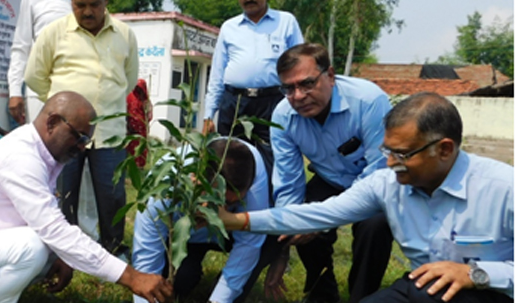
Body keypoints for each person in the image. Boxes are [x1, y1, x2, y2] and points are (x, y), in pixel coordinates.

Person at [218, 92, 514, 303]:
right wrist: (235, 220)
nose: (388, 163)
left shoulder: (503, 188)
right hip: (421, 288)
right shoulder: (387, 184)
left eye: (402, 154)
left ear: (445, 150)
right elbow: (316, 214)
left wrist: (476, 274)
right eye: (387, 151)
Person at [0, 91, 173, 303]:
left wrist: (60, 254)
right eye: (79, 137)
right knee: (34, 246)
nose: (83, 148)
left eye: (87, 140)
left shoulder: (41, 155)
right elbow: (53, 230)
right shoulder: (21, 157)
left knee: (45, 246)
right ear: (52, 123)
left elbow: (47, 221)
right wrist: (132, 276)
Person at [268, 43, 393, 303]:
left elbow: (379, 172)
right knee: (302, 218)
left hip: (373, 183)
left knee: (375, 226)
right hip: (329, 178)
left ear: (331, 76)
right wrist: (292, 223)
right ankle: (322, 291)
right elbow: (288, 181)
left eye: (307, 84)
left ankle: (363, 295)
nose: (298, 96)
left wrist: (324, 217)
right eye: (288, 88)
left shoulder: (369, 101)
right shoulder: (282, 116)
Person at [24, 0, 139, 256]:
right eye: (80, 4)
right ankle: (63, 253)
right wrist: (62, 109)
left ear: (106, 2)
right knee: (62, 193)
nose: (87, 11)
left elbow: (128, 81)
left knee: (113, 195)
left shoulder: (125, 34)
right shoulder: (54, 32)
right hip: (66, 134)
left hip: (110, 132)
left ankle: (113, 248)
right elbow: (34, 76)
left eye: (94, 4)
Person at [132, 138, 269, 303]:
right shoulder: (166, 184)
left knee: (267, 238)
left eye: (232, 204)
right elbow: (146, 261)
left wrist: (219, 300)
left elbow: (249, 243)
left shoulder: (253, 175)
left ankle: (223, 286)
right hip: (185, 236)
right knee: (177, 284)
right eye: (216, 202)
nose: (222, 213)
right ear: (195, 178)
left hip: (228, 235)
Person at [202, 0, 303, 175]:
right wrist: (209, 114)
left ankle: (272, 202)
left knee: (275, 162)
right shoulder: (229, 27)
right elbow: (217, 73)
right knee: (229, 161)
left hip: (273, 103)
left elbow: (300, 66)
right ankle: (230, 202)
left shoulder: (286, 22)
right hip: (234, 103)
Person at [7, 0, 71, 125]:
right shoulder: (31, 2)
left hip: (75, 87)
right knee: (39, 140)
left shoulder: (83, 5)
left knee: (73, 140)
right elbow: (20, 48)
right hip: (39, 89)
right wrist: (15, 92)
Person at [126, 79, 152, 168]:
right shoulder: (130, 97)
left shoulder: (145, 100)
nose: (139, 90)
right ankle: (131, 166)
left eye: (140, 88)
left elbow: (149, 114)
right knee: (131, 146)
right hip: (131, 128)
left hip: (141, 129)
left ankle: (140, 165)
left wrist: (145, 121)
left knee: (141, 146)